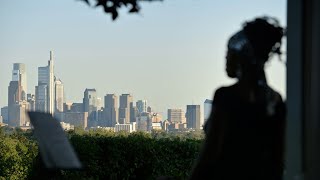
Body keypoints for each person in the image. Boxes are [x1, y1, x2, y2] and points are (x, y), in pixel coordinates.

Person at [189, 16, 286, 180]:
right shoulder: (275, 99)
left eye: (229, 53)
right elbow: (278, 160)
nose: (225, 58)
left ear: (241, 56)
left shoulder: (226, 96)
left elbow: (209, 155)